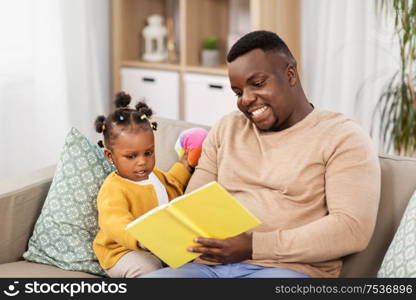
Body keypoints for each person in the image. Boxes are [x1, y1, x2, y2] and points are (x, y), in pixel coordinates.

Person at [142, 30, 381, 278]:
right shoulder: (226, 129)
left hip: (285, 271)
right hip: (206, 268)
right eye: (238, 92)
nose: (246, 100)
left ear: (290, 75)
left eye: (257, 84)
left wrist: (253, 246)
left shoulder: (342, 137)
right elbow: (192, 206)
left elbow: (351, 230)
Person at [93, 92, 193, 278]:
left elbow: (173, 184)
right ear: (110, 156)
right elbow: (114, 222)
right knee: (147, 269)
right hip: (123, 252)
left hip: (159, 246)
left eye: (148, 153)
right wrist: (142, 238)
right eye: (131, 156)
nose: (142, 162)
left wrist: (185, 165)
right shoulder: (113, 188)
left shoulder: (154, 175)